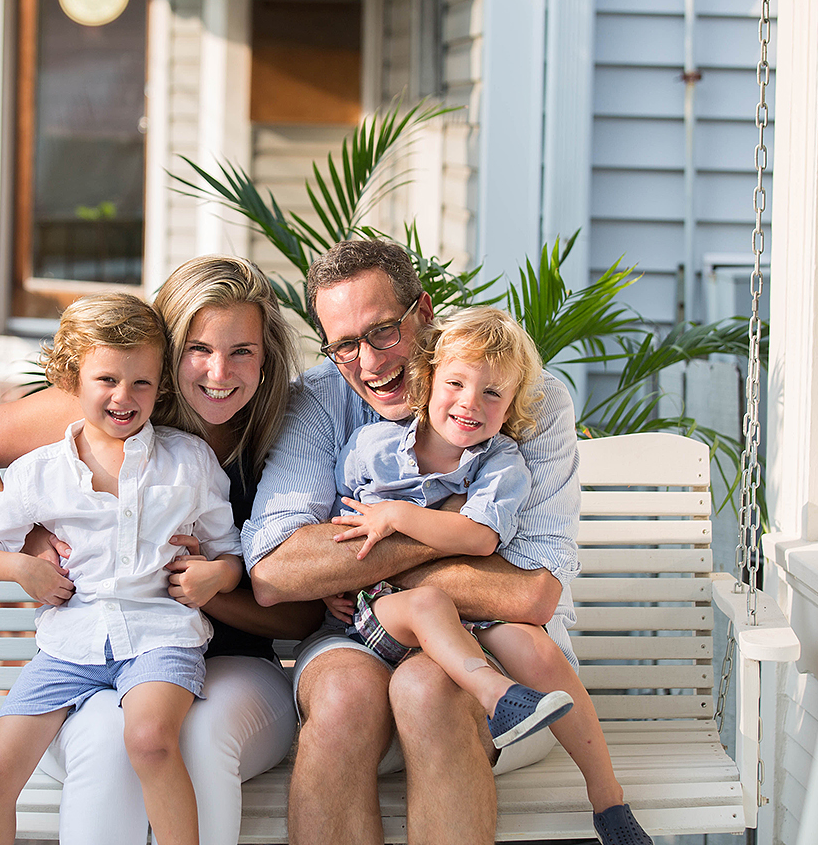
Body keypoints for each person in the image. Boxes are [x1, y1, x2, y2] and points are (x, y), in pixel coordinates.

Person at [0, 256, 322, 845]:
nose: (220, 371)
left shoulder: (279, 437)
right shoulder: (112, 409)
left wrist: (195, 586)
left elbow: (298, 611)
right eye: (198, 348)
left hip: (224, 658)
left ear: (266, 356)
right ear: (168, 354)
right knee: (101, 741)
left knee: (187, 736)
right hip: (93, 650)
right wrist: (31, 539)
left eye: (242, 350)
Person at [240, 239, 583, 845]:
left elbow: (531, 596)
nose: (368, 363)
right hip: (358, 639)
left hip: (504, 654)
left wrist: (359, 564)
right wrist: (453, 524)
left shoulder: (521, 394)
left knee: (430, 687)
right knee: (344, 695)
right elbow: (274, 571)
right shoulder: (321, 400)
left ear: (423, 310)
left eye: (382, 332)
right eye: (344, 344)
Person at [328, 306, 653, 845]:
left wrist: (399, 517)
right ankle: (499, 697)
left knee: (541, 652)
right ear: (426, 380)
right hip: (386, 604)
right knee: (429, 602)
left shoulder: (503, 464)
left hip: (476, 611)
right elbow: (340, 521)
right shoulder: (373, 448)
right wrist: (333, 590)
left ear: (514, 407)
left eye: (493, 394)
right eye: (455, 383)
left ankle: (608, 799)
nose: (469, 404)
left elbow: (482, 538)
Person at [0, 293, 243, 845]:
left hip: (161, 636)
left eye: (141, 383)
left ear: (161, 385)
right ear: (71, 378)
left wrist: (219, 576)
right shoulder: (40, 473)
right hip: (69, 645)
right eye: (106, 379)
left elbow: (229, 551)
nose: (123, 397)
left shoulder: (188, 461)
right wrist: (19, 568)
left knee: (150, 741)